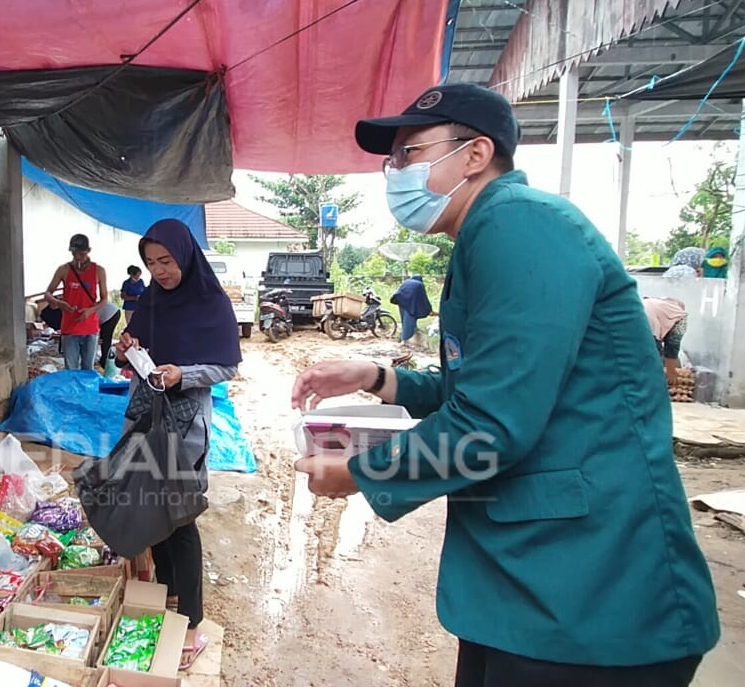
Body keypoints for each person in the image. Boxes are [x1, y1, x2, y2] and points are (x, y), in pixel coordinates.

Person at [291, 84, 718, 686]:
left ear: (475, 154)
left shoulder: (519, 225)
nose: (395, 175)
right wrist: (378, 377)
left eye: (409, 154)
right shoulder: (488, 234)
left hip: (589, 594)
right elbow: (481, 386)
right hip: (534, 586)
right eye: (391, 162)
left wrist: (363, 471)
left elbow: (491, 423)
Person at [115, 219, 241, 671]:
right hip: (145, 419)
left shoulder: (211, 303)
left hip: (186, 427)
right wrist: (125, 348)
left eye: (166, 261)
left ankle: (191, 622)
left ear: (185, 255)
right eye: (151, 263)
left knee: (180, 516)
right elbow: (132, 352)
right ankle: (166, 594)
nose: (160, 270)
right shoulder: (150, 301)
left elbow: (226, 366)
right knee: (151, 507)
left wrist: (181, 374)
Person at [44, 234, 108, 371]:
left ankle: (86, 393)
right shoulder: (64, 270)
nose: (78, 257)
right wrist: (58, 303)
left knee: (88, 370)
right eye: (74, 253)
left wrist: (90, 311)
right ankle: (72, 393)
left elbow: (104, 299)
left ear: (88, 251)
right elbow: (48, 293)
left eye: (81, 254)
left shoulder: (99, 271)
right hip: (70, 328)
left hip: (90, 328)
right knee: (70, 370)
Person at [643, 296, 689, 386]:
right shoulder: (680, 315)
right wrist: (671, 371)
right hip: (647, 329)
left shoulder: (654, 303)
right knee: (653, 368)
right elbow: (673, 343)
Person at [390, 273, 435, 343]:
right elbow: (423, 298)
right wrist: (429, 309)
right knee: (409, 321)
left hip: (401, 301)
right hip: (409, 303)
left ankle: (410, 332)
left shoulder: (407, 281)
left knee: (404, 319)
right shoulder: (419, 285)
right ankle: (405, 340)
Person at [97, 299, 121, 371]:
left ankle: (104, 362)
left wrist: (96, 338)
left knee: (105, 339)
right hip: (114, 311)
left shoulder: (88, 310)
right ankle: (104, 360)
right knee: (105, 339)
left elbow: (93, 327)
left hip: (110, 314)